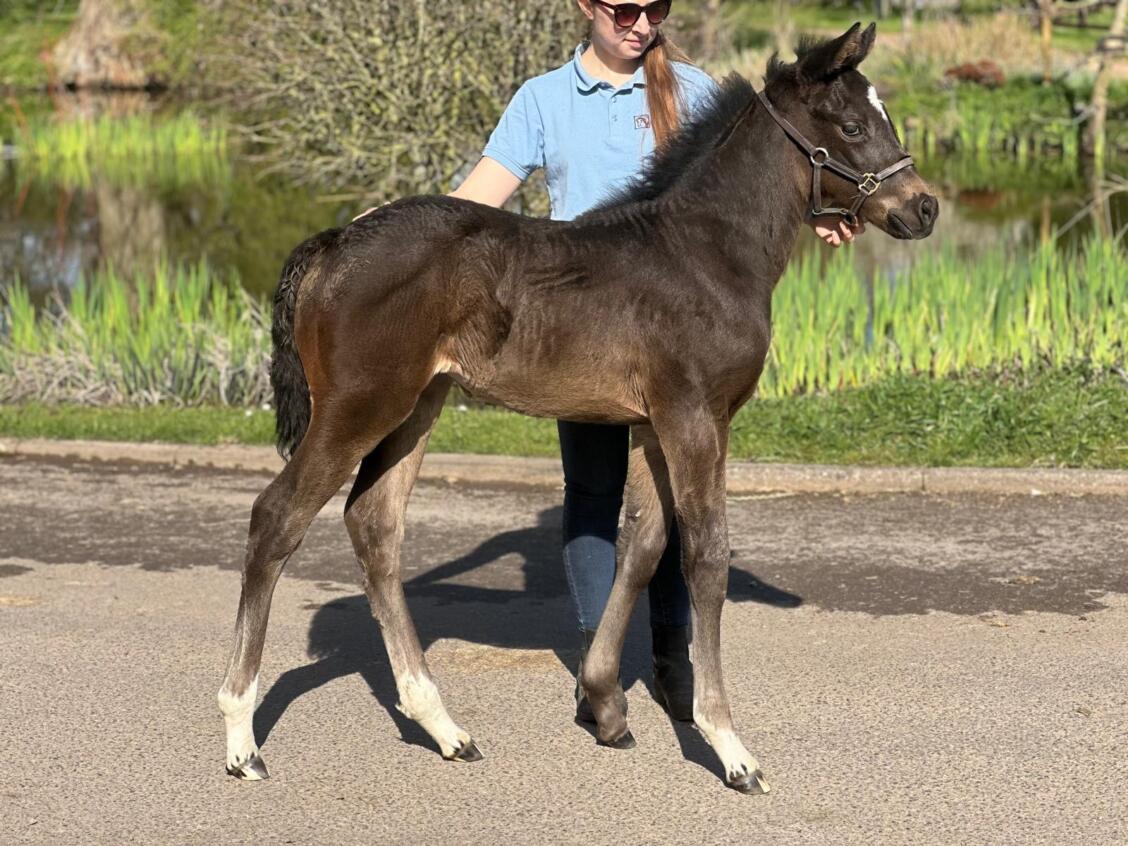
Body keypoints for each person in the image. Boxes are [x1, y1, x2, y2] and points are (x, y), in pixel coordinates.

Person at [364, 0, 864, 723]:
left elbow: (751, 185)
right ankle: (596, 665)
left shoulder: (691, 88)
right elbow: (474, 203)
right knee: (594, 495)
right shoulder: (544, 97)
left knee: (676, 497)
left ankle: (671, 657)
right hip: (577, 319)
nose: (641, 23)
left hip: (680, 318)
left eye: (655, 8)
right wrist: (388, 237)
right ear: (587, 7)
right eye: (626, 9)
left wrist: (822, 208)